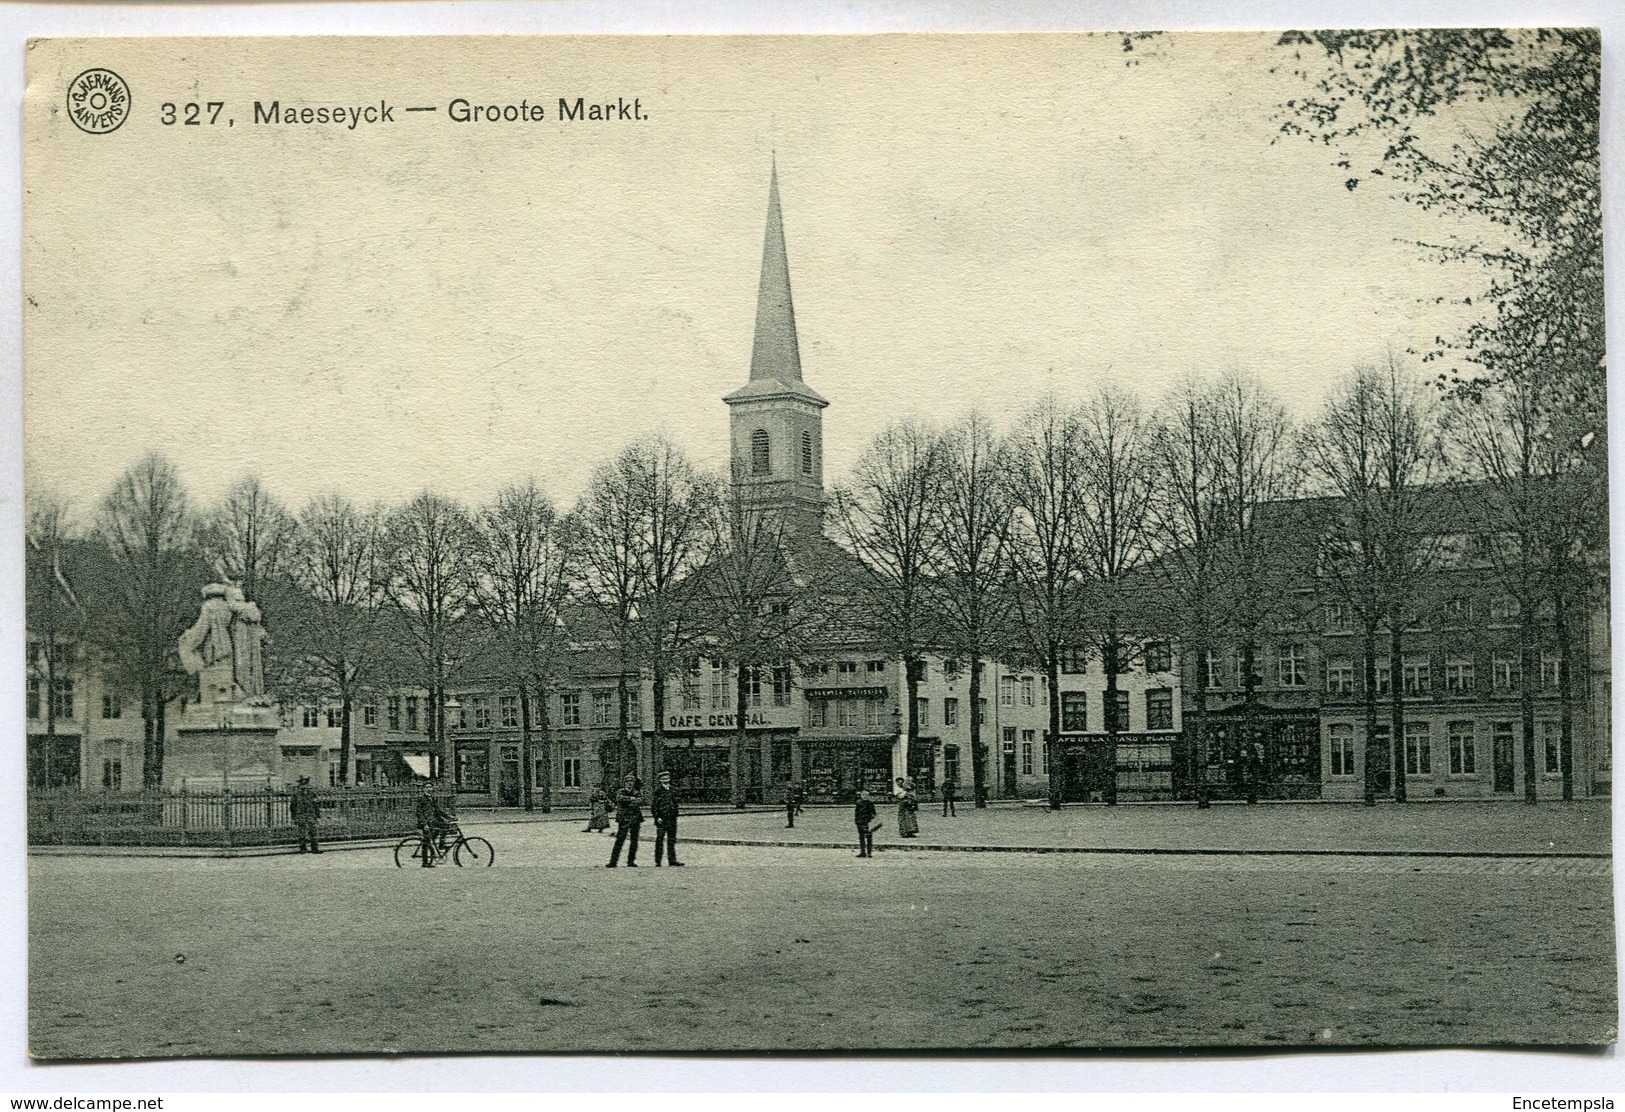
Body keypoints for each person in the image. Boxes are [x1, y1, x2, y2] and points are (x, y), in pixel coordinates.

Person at [607, 774, 643, 867]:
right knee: (620, 839)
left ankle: (631, 861)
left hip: (635, 818)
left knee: (634, 840)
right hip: (624, 818)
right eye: (627, 782)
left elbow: (641, 800)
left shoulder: (637, 791)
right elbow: (619, 798)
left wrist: (629, 802)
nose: (630, 784)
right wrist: (631, 799)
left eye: (631, 782)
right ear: (624, 783)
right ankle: (613, 862)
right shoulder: (620, 791)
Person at [651, 770, 684, 867]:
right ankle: (658, 861)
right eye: (663, 778)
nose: (666, 780)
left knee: (671, 839)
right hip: (662, 818)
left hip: (672, 818)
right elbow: (654, 806)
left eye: (667, 778)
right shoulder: (658, 791)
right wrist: (657, 817)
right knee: (660, 839)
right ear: (660, 780)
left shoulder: (673, 790)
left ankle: (672, 860)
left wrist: (675, 812)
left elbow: (675, 802)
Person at [414, 782, 449, 868]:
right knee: (426, 842)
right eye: (427, 787)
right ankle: (425, 862)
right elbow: (419, 813)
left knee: (445, 825)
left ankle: (441, 844)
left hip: (433, 821)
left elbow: (438, 810)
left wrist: (448, 816)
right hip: (425, 823)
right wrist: (424, 824)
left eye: (430, 787)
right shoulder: (421, 799)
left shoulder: (432, 798)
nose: (429, 789)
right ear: (423, 789)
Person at [290, 775, 321, 854]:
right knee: (302, 833)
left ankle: (314, 848)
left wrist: (317, 816)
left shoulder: (312, 794)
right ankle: (303, 848)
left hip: (311, 815)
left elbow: (316, 805)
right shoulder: (296, 795)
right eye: (302, 787)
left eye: (305, 786)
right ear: (300, 786)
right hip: (300, 815)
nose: (304, 788)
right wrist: (294, 817)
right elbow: (293, 806)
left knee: (314, 832)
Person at [854, 789, 877, 858]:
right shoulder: (858, 803)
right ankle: (862, 852)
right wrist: (857, 821)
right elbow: (856, 813)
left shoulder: (870, 803)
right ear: (861, 795)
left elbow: (874, 813)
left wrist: (871, 821)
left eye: (866, 795)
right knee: (861, 837)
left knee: (869, 837)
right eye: (863, 795)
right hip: (860, 822)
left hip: (867, 822)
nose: (865, 796)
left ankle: (869, 852)